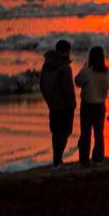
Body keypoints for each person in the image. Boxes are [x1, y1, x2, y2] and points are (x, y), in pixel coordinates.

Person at [39, 38, 76, 166]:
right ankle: (57, 161)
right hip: (64, 106)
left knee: (56, 133)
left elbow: (42, 84)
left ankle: (57, 160)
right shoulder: (65, 68)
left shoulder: (47, 65)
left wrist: (49, 100)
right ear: (66, 52)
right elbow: (68, 90)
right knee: (64, 133)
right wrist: (72, 105)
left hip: (52, 105)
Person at [74, 44, 109, 167]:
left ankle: (84, 160)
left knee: (85, 133)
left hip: (87, 105)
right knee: (99, 133)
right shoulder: (108, 72)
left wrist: (85, 67)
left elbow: (77, 81)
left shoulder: (87, 71)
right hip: (100, 104)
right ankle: (98, 158)